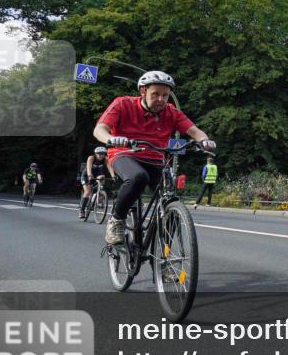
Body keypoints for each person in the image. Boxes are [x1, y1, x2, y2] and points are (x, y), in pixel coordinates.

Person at [94, 70, 215, 245]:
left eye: (165, 95)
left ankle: (165, 257)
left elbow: (194, 131)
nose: (161, 99)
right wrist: (111, 139)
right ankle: (117, 220)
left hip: (155, 159)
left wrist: (204, 140)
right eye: (155, 94)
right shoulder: (122, 104)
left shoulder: (171, 112)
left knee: (171, 201)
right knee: (138, 177)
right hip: (125, 154)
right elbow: (100, 129)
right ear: (143, 91)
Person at [78, 147, 110, 218]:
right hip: (86, 175)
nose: (100, 155)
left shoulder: (106, 159)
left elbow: (110, 167)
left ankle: (100, 199)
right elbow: (88, 167)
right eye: (98, 154)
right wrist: (89, 175)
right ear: (95, 154)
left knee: (102, 178)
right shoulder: (91, 158)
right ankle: (81, 210)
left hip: (97, 175)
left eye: (102, 154)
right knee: (88, 191)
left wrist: (113, 176)